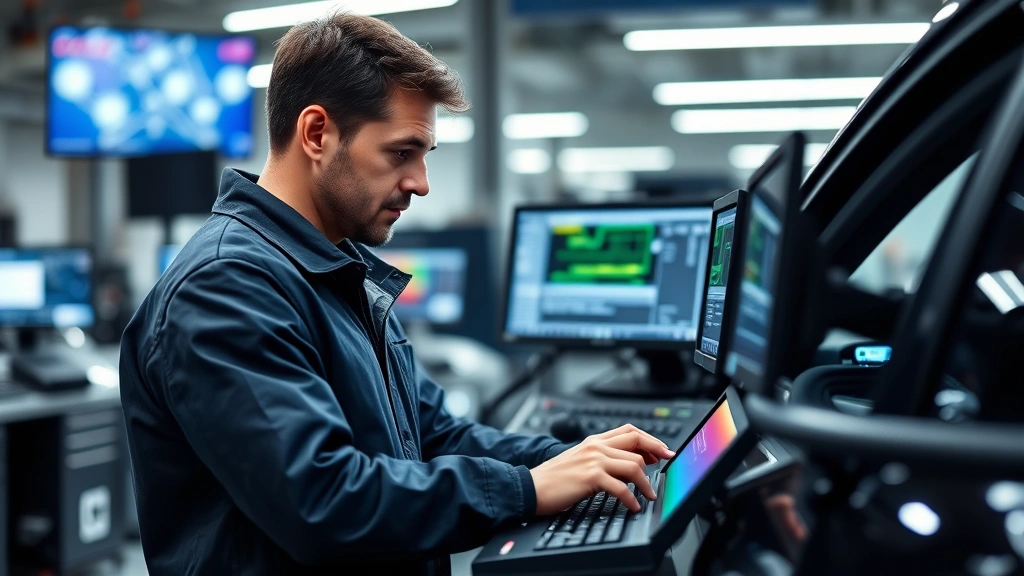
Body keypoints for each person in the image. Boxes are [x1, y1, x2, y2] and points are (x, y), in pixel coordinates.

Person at [119, 12, 675, 576]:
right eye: (401, 153)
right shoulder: (227, 285)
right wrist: (526, 490)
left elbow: (432, 435)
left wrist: (573, 460)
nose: (421, 183)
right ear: (316, 133)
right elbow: (323, 502)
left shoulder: (342, 271)